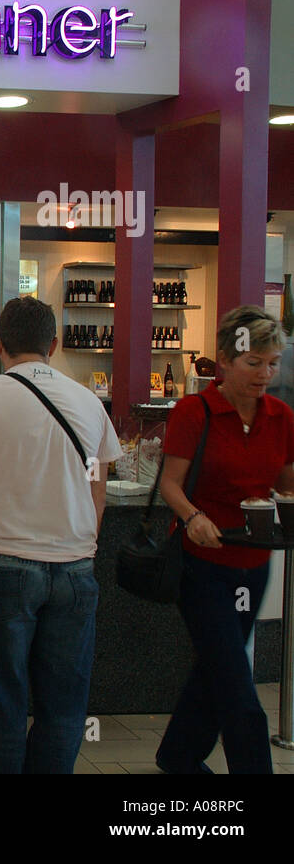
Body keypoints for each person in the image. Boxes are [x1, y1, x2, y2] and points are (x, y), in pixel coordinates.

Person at [0, 297, 121, 774]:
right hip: (75, 569)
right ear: (54, 345)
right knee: (64, 706)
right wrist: (80, 548)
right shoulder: (88, 402)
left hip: (0, 567)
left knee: (0, 702)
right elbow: (97, 493)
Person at [155, 306, 292, 775]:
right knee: (237, 684)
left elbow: (289, 484)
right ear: (226, 361)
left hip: (254, 565)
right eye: (254, 362)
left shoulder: (281, 416)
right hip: (203, 564)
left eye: (272, 362)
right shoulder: (196, 411)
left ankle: (176, 756)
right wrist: (192, 516)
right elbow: (171, 483)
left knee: (217, 667)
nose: (265, 374)